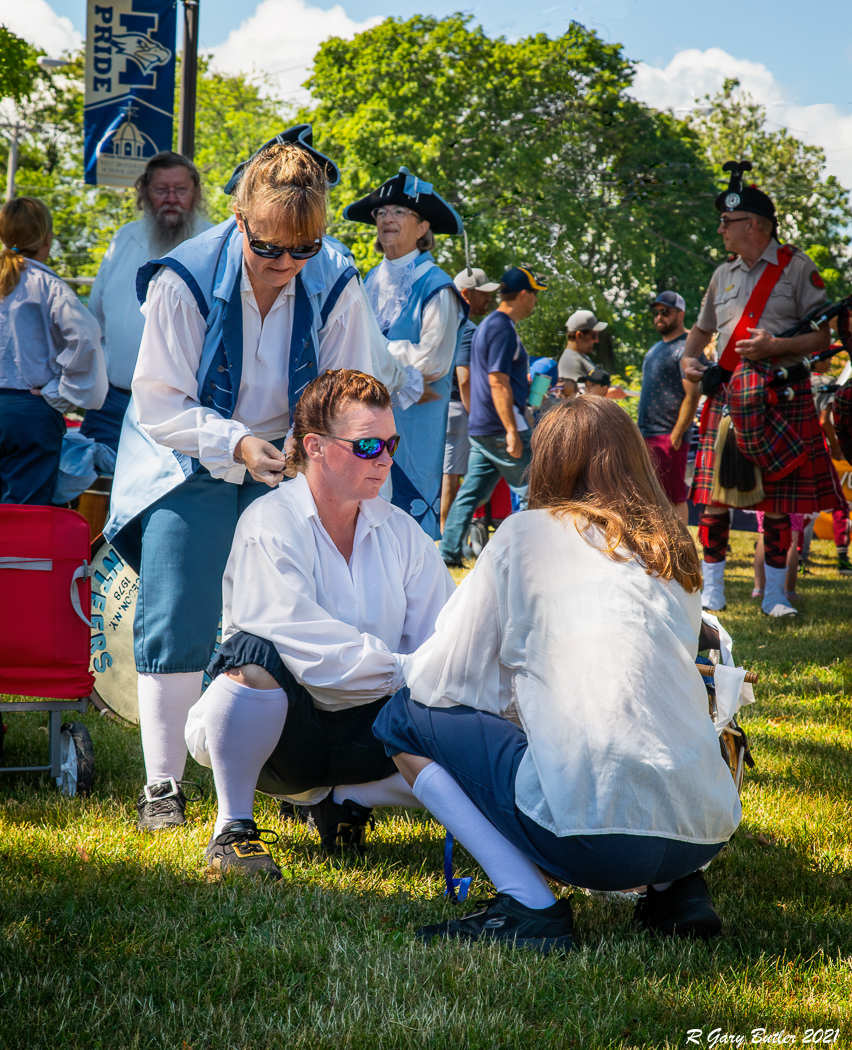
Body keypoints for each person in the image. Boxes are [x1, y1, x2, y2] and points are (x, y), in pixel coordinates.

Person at [373, 396, 741, 952]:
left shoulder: (525, 534)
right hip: (704, 827)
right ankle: (677, 892)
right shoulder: (670, 547)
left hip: (597, 839)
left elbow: (438, 676)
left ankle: (529, 905)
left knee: (402, 717)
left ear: (550, 461)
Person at [104, 131, 382, 831]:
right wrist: (234, 441)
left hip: (291, 452)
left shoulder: (336, 278)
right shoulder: (183, 278)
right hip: (184, 451)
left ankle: (298, 782)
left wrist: (306, 441)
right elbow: (160, 401)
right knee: (180, 597)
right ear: (238, 216)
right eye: (268, 248)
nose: (285, 265)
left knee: (294, 606)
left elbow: (349, 386)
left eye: (304, 249)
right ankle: (163, 785)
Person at [184, 369, 455, 876]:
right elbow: (301, 644)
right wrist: (408, 671)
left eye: (391, 443)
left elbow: (444, 637)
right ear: (315, 446)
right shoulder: (269, 522)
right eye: (368, 445)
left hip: (373, 731)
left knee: (460, 709)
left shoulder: (402, 532)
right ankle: (233, 828)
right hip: (285, 739)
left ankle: (348, 799)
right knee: (253, 658)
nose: (386, 459)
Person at [682, 161, 845, 617]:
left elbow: (822, 338)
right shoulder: (723, 274)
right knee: (714, 501)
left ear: (753, 224)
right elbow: (701, 331)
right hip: (728, 398)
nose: (720, 229)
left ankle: (774, 596)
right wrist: (687, 359)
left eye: (726, 221)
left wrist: (776, 346)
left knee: (776, 505)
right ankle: (712, 590)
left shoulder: (798, 269)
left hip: (780, 397)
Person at [343, 167, 468, 539]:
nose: (387, 219)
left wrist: (377, 355)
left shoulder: (437, 285)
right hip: (365, 418)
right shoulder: (367, 280)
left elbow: (433, 361)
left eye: (399, 212)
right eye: (381, 213)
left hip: (414, 424)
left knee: (407, 525)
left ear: (422, 227)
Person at [80, 152, 212, 451]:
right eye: (161, 190)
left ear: (196, 192)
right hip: (114, 403)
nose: (171, 198)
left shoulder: (213, 244)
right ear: (144, 192)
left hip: (186, 412)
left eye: (180, 190)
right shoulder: (124, 239)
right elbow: (96, 319)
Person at [0, 197, 107, 505]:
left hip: (23, 410)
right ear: (47, 238)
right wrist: (61, 390)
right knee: (25, 515)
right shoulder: (49, 286)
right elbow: (86, 334)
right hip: (29, 414)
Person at [438, 267, 546, 568]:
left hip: (483, 426)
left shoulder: (489, 325)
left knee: (471, 493)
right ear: (523, 295)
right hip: (501, 426)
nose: (536, 300)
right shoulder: (501, 328)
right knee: (535, 489)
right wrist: (511, 429)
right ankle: (535, 558)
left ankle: (447, 552)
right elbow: (497, 381)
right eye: (534, 294)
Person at [441, 267, 499, 532]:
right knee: (451, 477)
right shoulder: (468, 328)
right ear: (465, 293)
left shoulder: (438, 321)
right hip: (456, 409)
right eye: (483, 293)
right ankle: (446, 536)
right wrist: (476, 416)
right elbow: (464, 378)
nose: (489, 298)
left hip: (430, 407)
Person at [637, 291, 702, 523]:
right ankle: (656, 544)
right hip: (646, 436)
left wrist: (676, 434)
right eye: (656, 312)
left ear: (680, 314)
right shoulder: (654, 349)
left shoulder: (688, 348)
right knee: (649, 498)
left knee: (673, 498)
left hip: (669, 436)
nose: (659, 317)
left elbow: (693, 395)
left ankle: (679, 545)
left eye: (665, 312)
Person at [557, 309, 606, 394]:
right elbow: (578, 398)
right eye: (594, 335)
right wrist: (607, 391)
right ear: (579, 335)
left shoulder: (580, 357)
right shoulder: (570, 362)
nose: (597, 340)